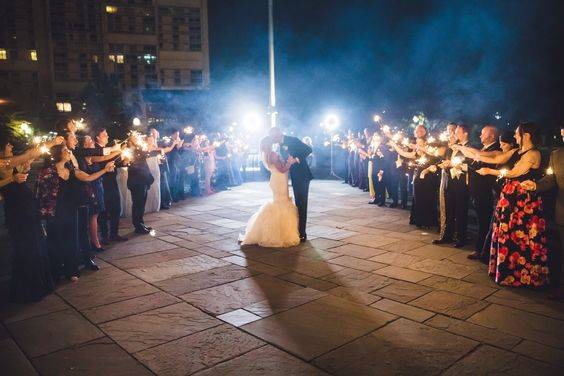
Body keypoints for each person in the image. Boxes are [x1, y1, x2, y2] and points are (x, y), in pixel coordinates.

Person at [475, 122, 549, 288]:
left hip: (523, 204)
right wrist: (478, 156)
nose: (515, 136)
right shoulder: (517, 151)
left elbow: (515, 172)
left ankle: (523, 276)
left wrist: (489, 171)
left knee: (520, 235)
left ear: (527, 135)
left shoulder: (533, 154)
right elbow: (497, 158)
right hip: (509, 199)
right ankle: (506, 272)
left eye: (517, 134)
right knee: (505, 233)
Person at [37, 144, 114, 282]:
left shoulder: (71, 169)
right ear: (57, 154)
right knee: (55, 241)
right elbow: (41, 192)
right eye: (65, 150)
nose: (69, 152)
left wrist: (105, 169)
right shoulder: (48, 171)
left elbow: (88, 178)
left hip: (71, 208)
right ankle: (55, 272)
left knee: (71, 240)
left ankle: (71, 270)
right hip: (55, 211)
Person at [0, 136, 62, 303]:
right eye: (8, 146)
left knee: (36, 245)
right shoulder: (3, 163)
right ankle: (27, 290)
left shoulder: (10, 163)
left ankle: (39, 284)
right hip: (18, 214)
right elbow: (27, 156)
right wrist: (52, 142)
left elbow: (30, 157)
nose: (10, 148)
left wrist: (25, 169)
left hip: (27, 211)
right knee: (26, 250)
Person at [456, 130, 520, 262]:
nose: (501, 145)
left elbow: (483, 156)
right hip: (492, 192)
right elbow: (480, 156)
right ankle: (485, 251)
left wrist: (461, 148)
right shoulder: (502, 153)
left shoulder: (503, 153)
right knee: (489, 223)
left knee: (487, 222)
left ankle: (483, 251)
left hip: (493, 192)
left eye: (503, 143)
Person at [521, 126, 564, 297]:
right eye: (562, 133)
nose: (562, 135)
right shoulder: (557, 155)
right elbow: (550, 178)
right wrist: (536, 185)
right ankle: (559, 289)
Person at [240, 136, 300, 247]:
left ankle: (278, 231)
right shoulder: (272, 154)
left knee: (279, 202)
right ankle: (280, 234)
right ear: (269, 144)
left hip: (276, 179)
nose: (274, 142)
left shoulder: (266, 154)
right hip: (279, 180)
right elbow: (282, 169)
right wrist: (291, 162)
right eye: (272, 141)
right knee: (281, 203)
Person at [269, 127, 313, 242]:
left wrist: (296, 159)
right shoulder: (279, 145)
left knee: (302, 204)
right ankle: (299, 230)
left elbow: (308, 149)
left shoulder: (292, 140)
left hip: (303, 175)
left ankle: (302, 234)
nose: (273, 139)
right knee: (298, 204)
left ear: (279, 134)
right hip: (295, 176)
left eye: (274, 137)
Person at [434, 124, 473, 248]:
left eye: (457, 132)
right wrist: (445, 164)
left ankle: (461, 237)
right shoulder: (451, 148)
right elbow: (445, 159)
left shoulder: (470, 148)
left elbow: (469, 166)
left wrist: (453, 164)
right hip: (449, 182)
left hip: (461, 184)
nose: (454, 134)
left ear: (465, 133)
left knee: (461, 211)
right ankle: (447, 235)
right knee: (449, 210)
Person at [468, 125, 501, 257]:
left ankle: (481, 249)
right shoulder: (484, 148)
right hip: (477, 191)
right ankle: (482, 248)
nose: (480, 136)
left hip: (486, 191)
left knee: (484, 221)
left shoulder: (495, 150)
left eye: (483, 133)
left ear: (492, 136)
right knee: (481, 220)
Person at [94, 128, 128, 243]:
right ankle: (104, 235)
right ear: (97, 137)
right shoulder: (95, 149)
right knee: (103, 211)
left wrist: (123, 161)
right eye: (104, 135)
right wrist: (118, 151)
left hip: (112, 181)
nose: (107, 136)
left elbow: (115, 162)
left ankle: (114, 233)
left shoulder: (108, 148)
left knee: (116, 208)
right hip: (102, 182)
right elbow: (103, 160)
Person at [126, 133, 161, 234]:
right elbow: (138, 159)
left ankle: (141, 223)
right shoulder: (129, 149)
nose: (138, 138)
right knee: (138, 204)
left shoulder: (138, 147)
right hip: (136, 180)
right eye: (135, 137)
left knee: (141, 204)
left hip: (142, 179)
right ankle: (138, 226)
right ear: (131, 139)